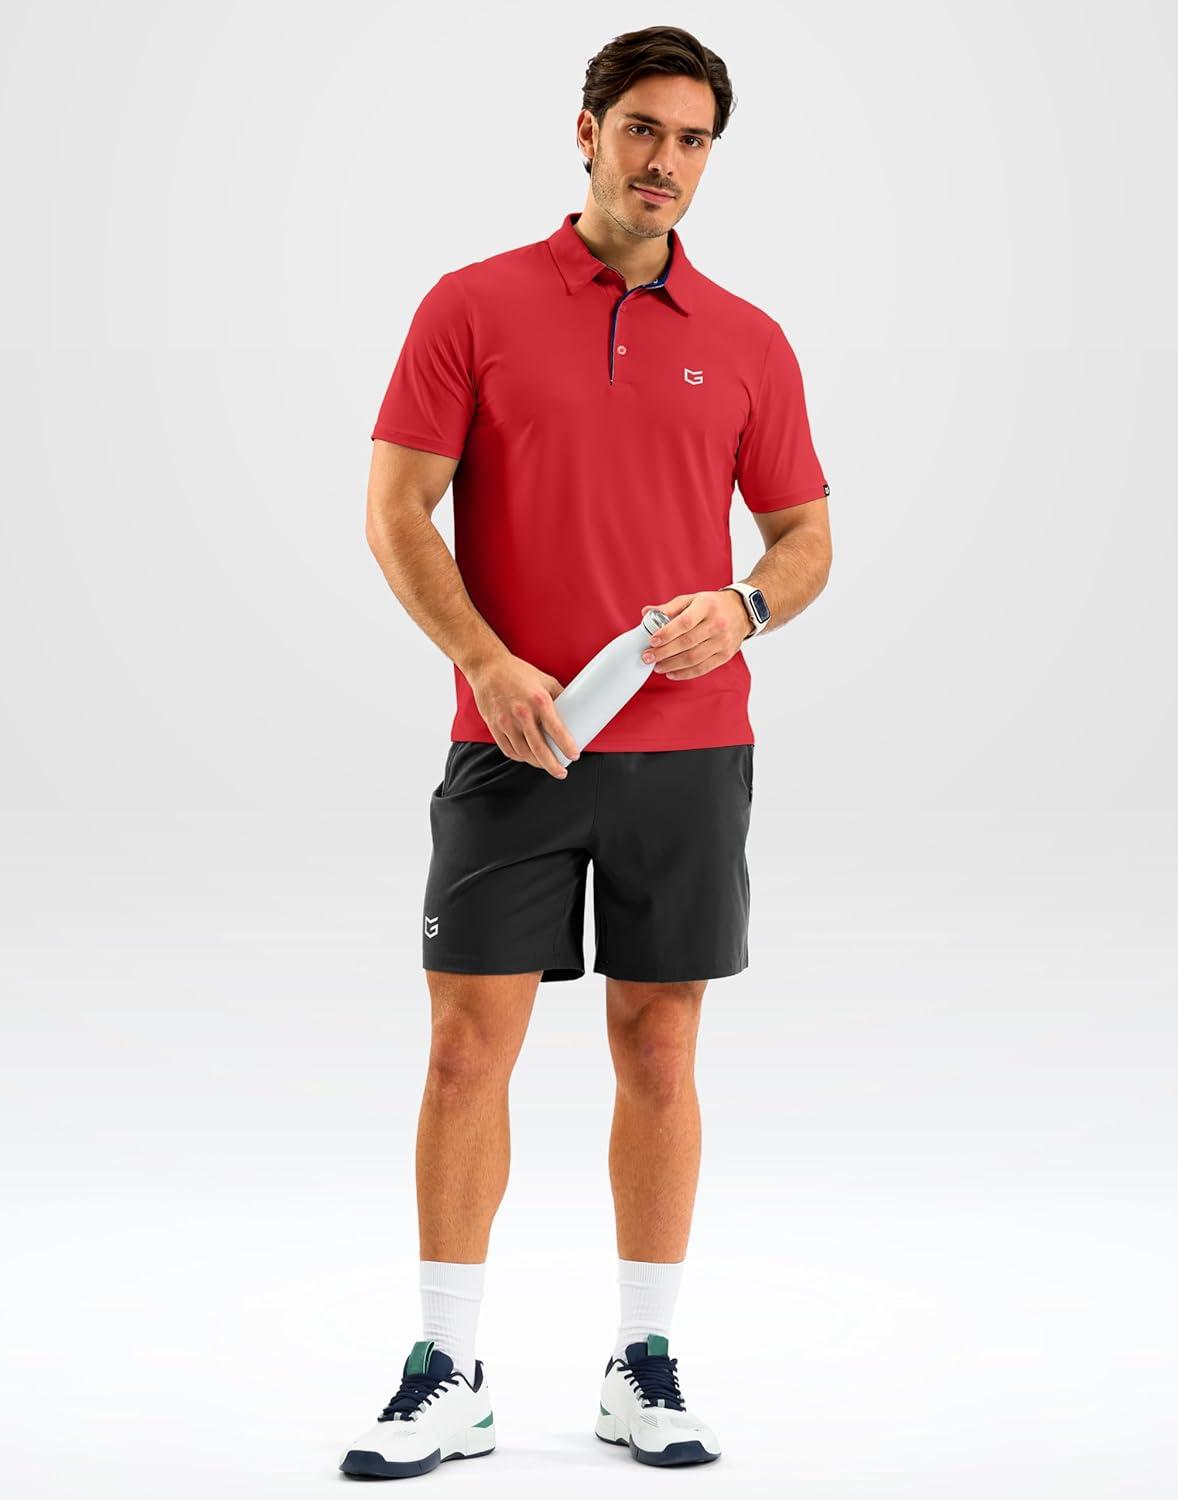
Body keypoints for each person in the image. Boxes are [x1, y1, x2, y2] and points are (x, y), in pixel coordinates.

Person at [340, 22, 832, 1479]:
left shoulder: (748, 339)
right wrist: (486, 662)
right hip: (517, 743)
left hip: (689, 752)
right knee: (462, 1053)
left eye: (692, 140)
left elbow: (805, 539)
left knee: (661, 1050)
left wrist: (743, 608)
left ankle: (643, 1366)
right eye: (642, 130)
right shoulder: (472, 306)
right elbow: (396, 512)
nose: (664, 160)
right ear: (586, 132)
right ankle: (447, 1371)